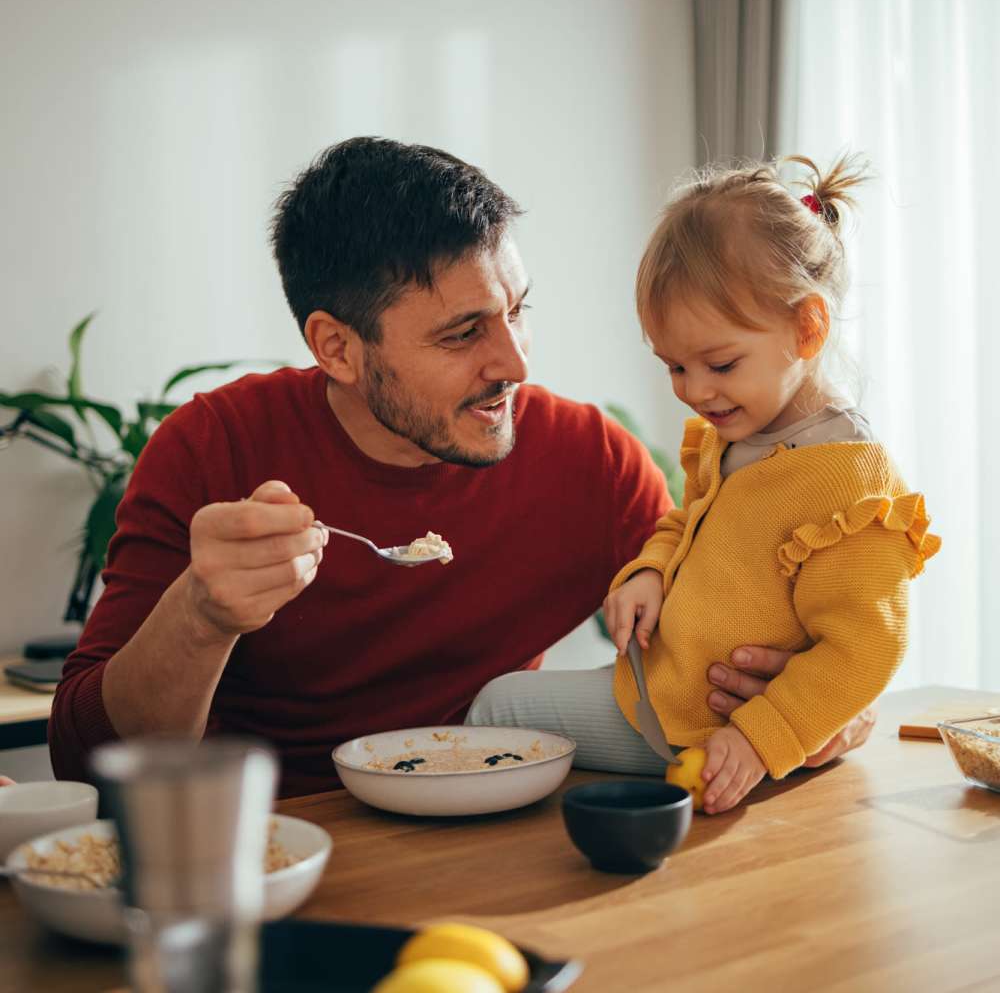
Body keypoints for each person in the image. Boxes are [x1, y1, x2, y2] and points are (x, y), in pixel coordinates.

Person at [48, 139, 873, 798]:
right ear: (336, 347)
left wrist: (825, 710)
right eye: (462, 333)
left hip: (505, 848)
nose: (513, 362)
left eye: (518, 312)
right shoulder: (213, 450)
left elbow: (774, 629)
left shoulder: (589, 463)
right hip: (269, 853)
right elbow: (84, 761)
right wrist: (201, 613)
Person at [467, 155, 938, 814]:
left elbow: (867, 648)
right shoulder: (738, 435)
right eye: (674, 367)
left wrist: (756, 741)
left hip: (697, 724)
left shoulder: (850, 483)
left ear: (808, 327)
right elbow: (687, 525)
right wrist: (649, 573)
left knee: (497, 706)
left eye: (718, 363)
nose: (694, 391)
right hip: (664, 689)